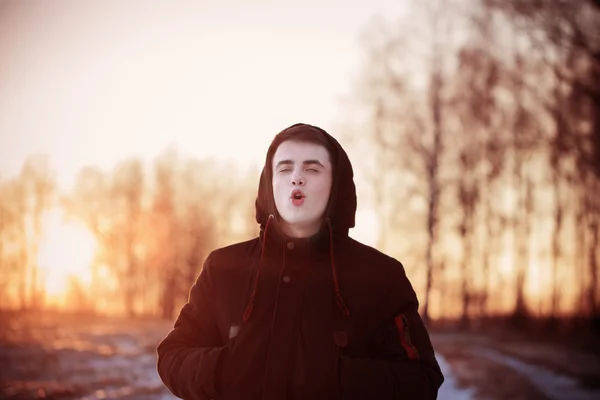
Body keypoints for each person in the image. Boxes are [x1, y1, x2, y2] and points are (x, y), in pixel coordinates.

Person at [157, 123, 444, 400]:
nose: (297, 178)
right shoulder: (223, 268)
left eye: (312, 168)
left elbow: (421, 380)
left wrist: (336, 379)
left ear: (336, 185)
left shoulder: (380, 276)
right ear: (269, 184)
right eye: (284, 168)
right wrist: (223, 370)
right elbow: (173, 355)